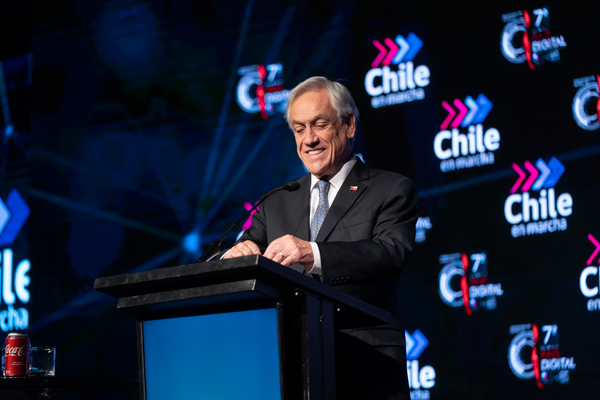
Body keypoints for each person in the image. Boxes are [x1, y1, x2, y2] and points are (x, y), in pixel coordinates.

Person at [225, 76, 418, 399]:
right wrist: (233, 256)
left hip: (365, 361)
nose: (309, 139)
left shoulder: (391, 189)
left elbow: (390, 252)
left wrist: (312, 252)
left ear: (348, 125)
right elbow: (240, 252)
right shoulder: (277, 200)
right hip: (289, 365)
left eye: (320, 125)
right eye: (299, 130)